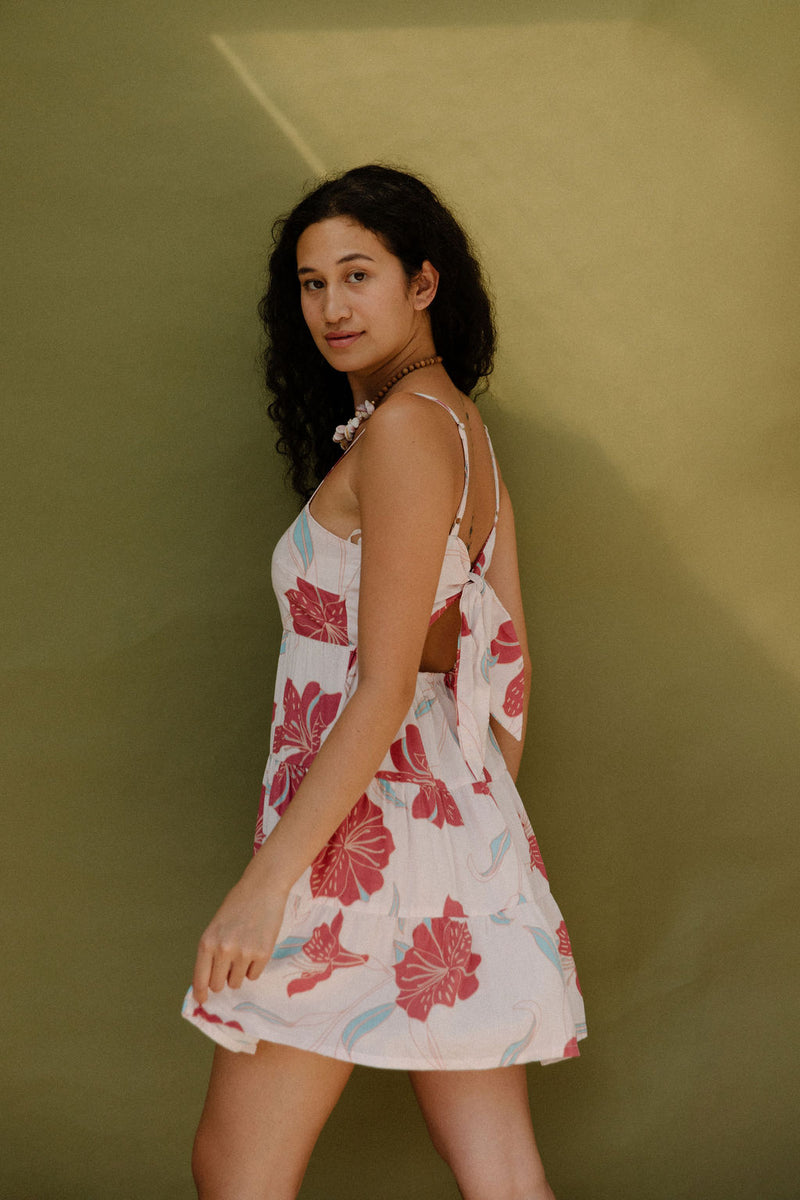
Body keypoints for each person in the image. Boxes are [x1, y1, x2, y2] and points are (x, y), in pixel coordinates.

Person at [183, 164, 586, 1200]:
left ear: (422, 282)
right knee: (499, 1173)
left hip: (353, 847)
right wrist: (468, 832)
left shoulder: (409, 431)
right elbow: (509, 670)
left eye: (356, 275)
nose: (329, 306)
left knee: (237, 1170)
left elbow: (380, 685)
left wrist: (264, 887)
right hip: (442, 833)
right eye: (311, 284)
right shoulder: (456, 429)